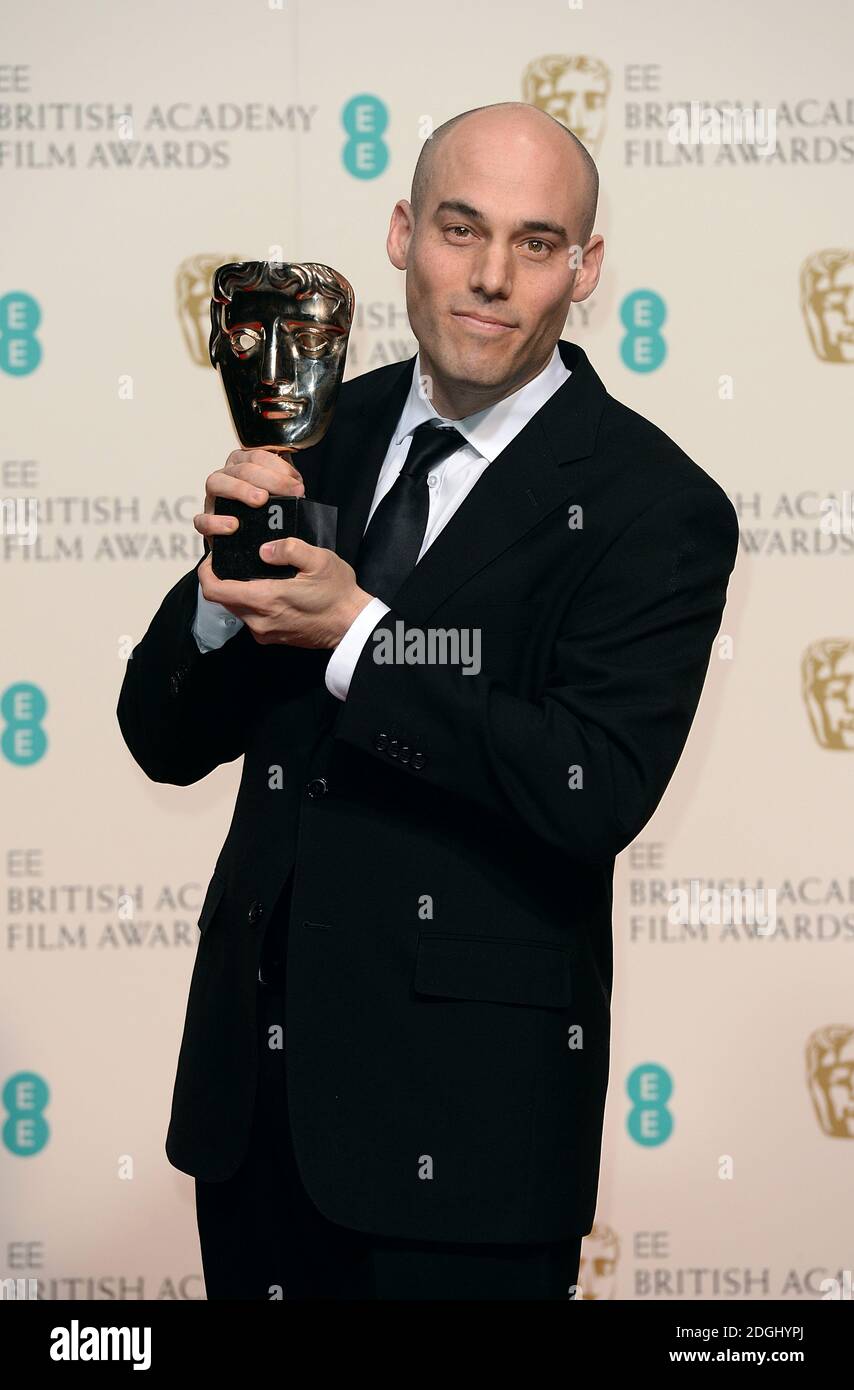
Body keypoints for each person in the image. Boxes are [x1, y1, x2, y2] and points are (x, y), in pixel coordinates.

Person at [117, 101, 739, 1300]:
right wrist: (215, 593)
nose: (493, 277)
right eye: (461, 230)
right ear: (401, 233)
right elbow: (160, 737)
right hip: (252, 1123)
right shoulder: (318, 433)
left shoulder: (650, 504)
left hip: (468, 1145)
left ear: (585, 265)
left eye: (537, 242)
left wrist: (354, 632)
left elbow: (588, 781)